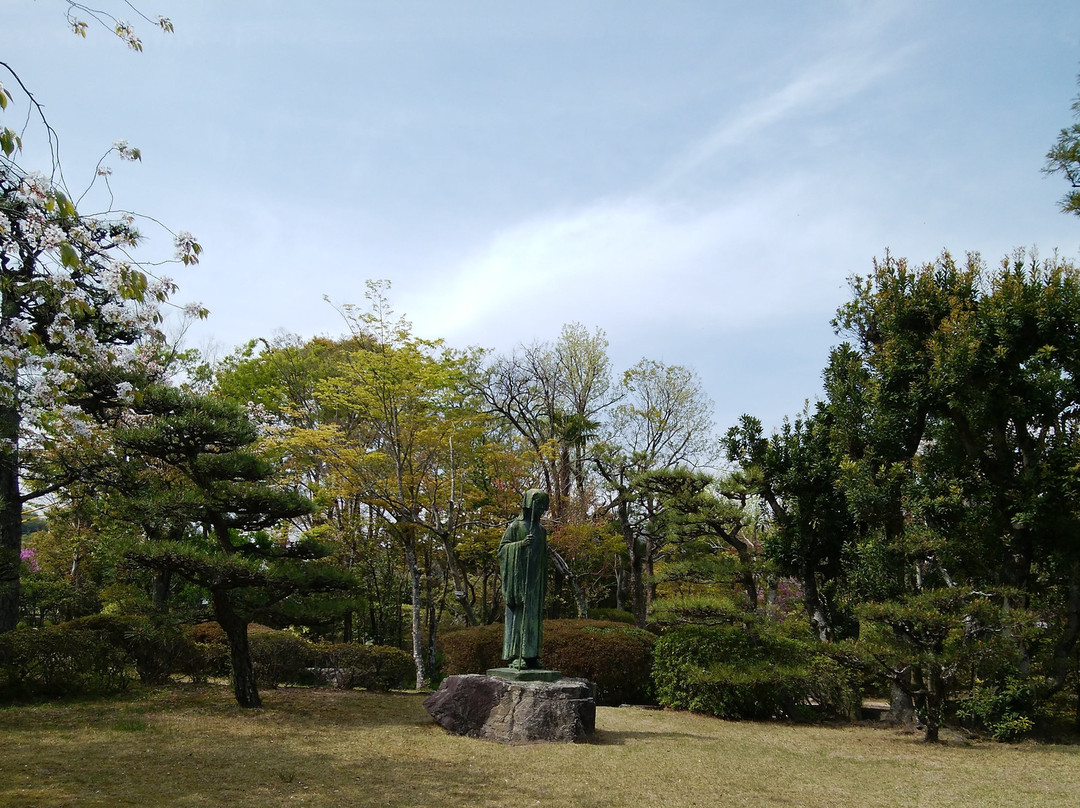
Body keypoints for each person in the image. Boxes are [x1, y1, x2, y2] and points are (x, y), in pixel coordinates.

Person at [498, 488, 549, 669]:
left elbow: (543, 557)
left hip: (534, 583)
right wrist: (520, 545)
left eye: (544, 507)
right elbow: (503, 550)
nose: (542, 510)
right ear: (529, 506)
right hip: (519, 582)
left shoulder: (541, 531)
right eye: (539, 506)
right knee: (519, 616)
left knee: (533, 619)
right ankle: (516, 655)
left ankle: (531, 655)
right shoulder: (515, 527)